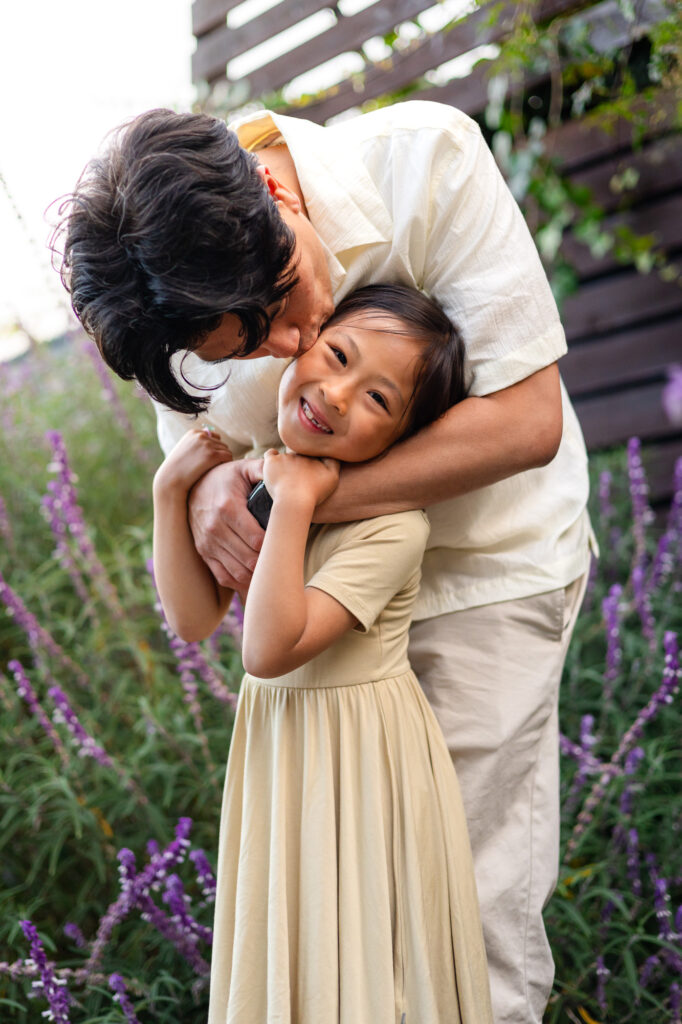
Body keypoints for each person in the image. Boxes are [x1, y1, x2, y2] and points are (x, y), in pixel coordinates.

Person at [56, 101, 594, 1024]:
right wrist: (201, 493)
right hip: (312, 630)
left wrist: (291, 493)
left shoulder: (428, 160)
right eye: (241, 349)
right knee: (331, 938)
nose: (292, 347)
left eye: (282, 304)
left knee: (464, 912)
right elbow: (199, 461)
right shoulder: (167, 288)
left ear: (272, 189)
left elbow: (526, 420)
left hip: (485, 576)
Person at [152, 284, 494, 1023]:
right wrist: (167, 494)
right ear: (300, 342)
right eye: (336, 355)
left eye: (378, 400)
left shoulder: (392, 527)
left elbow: (270, 648)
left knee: (368, 962)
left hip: (361, 761)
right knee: (294, 953)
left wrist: (298, 502)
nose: (336, 395)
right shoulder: (271, 476)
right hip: (284, 753)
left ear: (401, 440)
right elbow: (192, 618)